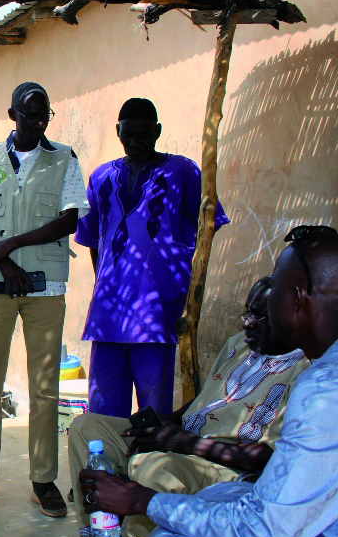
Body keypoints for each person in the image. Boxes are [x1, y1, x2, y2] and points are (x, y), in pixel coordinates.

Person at [81, 229, 338, 537]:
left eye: (275, 287)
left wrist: (141, 500)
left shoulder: (329, 389)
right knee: (218, 498)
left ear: (296, 298)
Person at [53, 276, 308, 537]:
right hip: (187, 441)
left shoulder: (305, 372)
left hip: (226, 467)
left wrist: (186, 444)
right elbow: (204, 402)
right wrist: (163, 425)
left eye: (259, 316)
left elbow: (266, 457)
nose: (247, 323)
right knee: (88, 428)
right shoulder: (239, 344)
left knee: (151, 465)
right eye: (247, 312)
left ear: (289, 316)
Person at [0, 82, 89, 516]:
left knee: (45, 388)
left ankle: (43, 481)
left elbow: (69, 220)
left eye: (44, 114)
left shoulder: (65, 158)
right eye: (29, 114)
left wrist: (10, 245)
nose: (38, 122)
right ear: (12, 115)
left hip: (45, 288)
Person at [74, 98, 229, 419]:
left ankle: (148, 453)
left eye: (143, 135)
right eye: (127, 135)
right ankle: (109, 456)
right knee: (104, 413)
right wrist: (107, 283)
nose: (135, 142)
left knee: (153, 410)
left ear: (157, 131)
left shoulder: (183, 172)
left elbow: (208, 224)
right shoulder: (101, 177)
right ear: (118, 132)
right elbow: (93, 240)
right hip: (108, 313)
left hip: (157, 311)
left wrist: (182, 283)